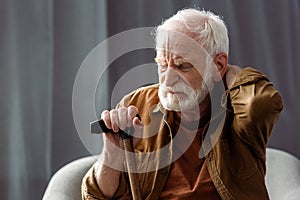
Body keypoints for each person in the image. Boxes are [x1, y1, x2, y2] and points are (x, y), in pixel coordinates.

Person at [81, 8, 283, 200]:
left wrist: (229, 72)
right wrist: (112, 154)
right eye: (162, 64)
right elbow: (95, 197)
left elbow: (260, 105)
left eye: (182, 66)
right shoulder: (136, 105)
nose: (167, 81)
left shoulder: (238, 111)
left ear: (218, 64)